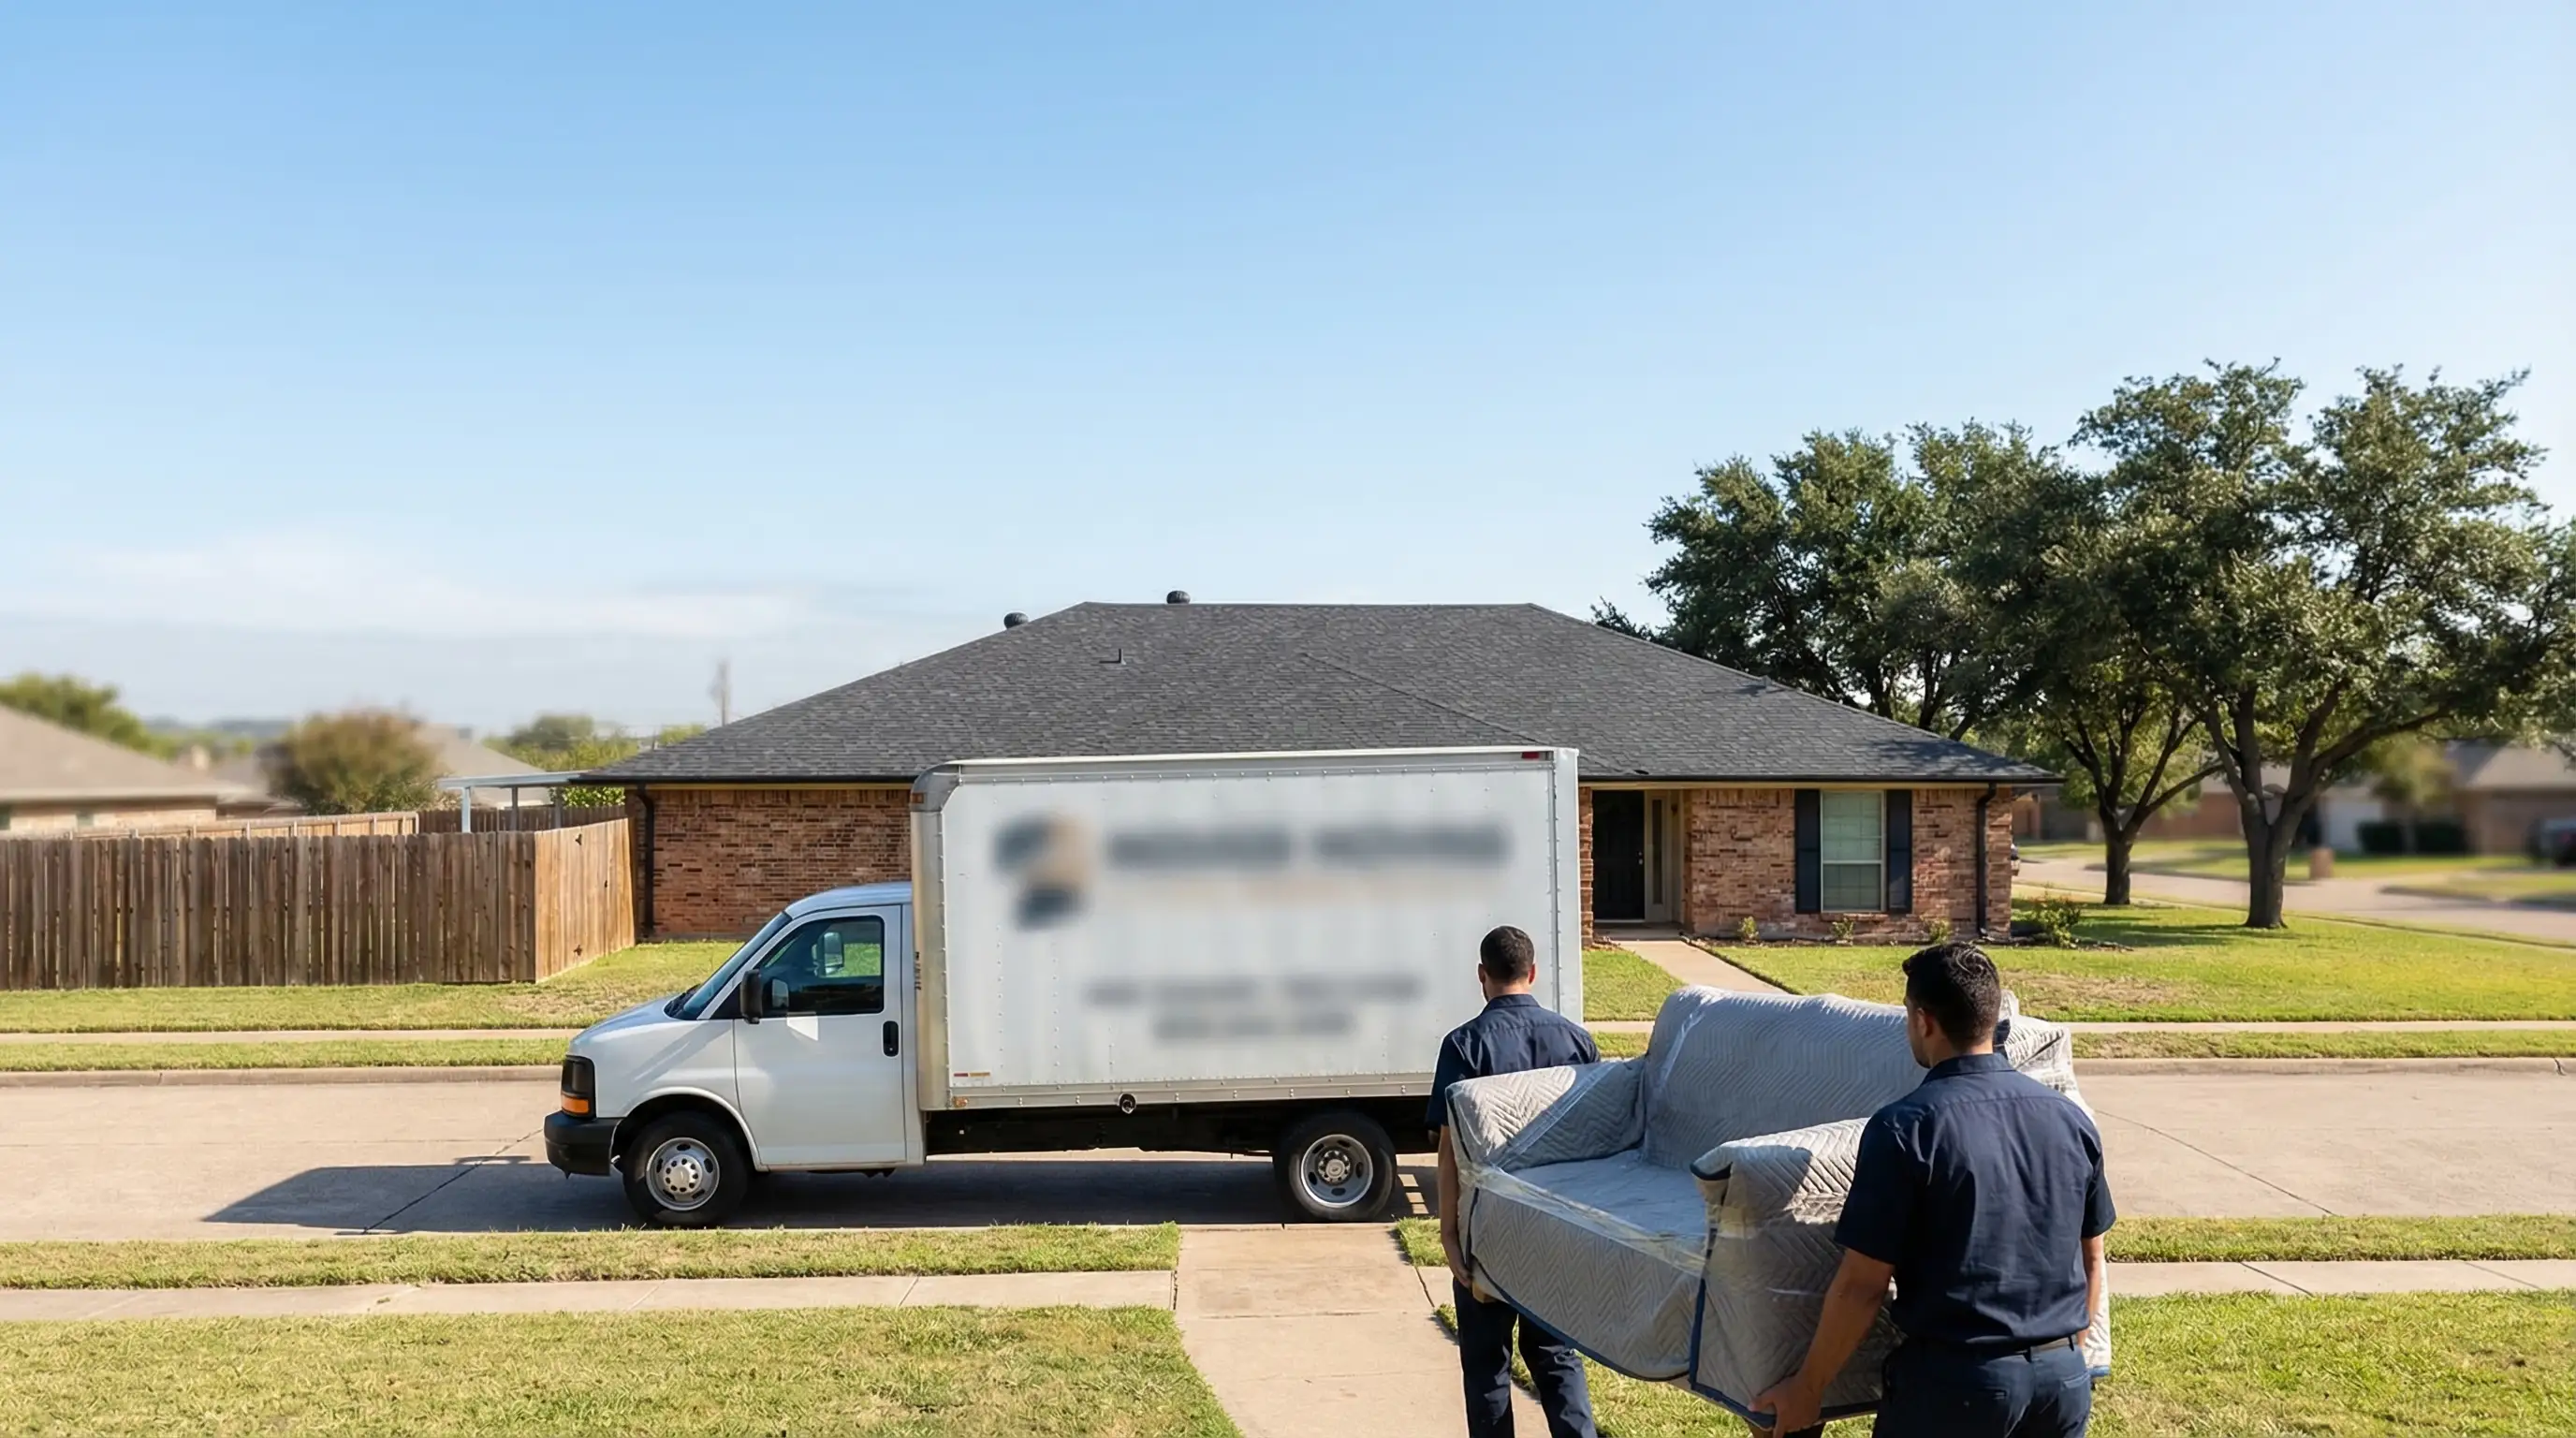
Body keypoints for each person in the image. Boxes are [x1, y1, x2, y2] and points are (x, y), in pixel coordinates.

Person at [1754, 942, 2114, 1438]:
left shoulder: (1906, 1128)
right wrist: (2064, 1356)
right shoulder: (2070, 1119)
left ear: (1924, 1021)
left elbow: (1862, 1286)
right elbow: (2092, 1258)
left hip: (1958, 1386)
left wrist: (1807, 1388)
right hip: (2063, 1380)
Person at [1431, 924, 1602, 1438]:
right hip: (1554, 1224)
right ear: (1533, 973)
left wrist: (1449, 1234)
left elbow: (1450, 1149)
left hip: (1488, 1230)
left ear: (1481, 975)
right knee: (1556, 1354)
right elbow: (1597, 1144)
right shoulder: (1577, 1041)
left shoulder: (1463, 1045)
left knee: (1487, 1362)